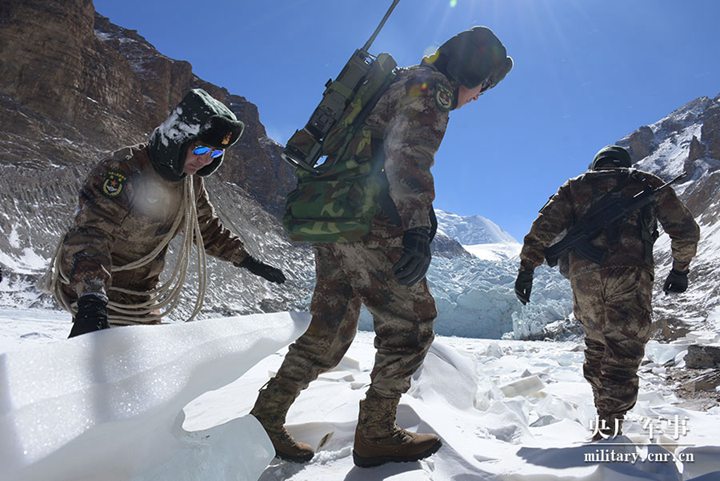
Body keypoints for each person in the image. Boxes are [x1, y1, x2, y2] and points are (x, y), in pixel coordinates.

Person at [250, 27, 513, 467]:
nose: (479, 95)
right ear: (471, 71)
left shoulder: (402, 78)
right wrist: (414, 228)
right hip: (373, 222)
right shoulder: (434, 89)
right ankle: (375, 433)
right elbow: (408, 156)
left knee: (330, 328)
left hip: (337, 218)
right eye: (483, 85)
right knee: (412, 325)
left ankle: (264, 417)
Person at [51, 88, 286, 338]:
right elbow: (90, 235)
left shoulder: (190, 183)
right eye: (199, 150)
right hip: (94, 289)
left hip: (139, 296)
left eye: (215, 154)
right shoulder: (123, 169)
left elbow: (206, 228)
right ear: (178, 138)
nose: (205, 160)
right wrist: (92, 297)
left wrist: (247, 261)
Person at [514, 145, 700, 440]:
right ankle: (610, 425)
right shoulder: (646, 182)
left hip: (585, 280)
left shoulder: (575, 187)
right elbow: (685, 230)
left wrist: (526, 269)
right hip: (630, 275)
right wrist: (680, 269)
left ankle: (605, 415)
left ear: (596, 164)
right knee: (623, 348)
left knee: (598, 345)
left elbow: (543, 228)